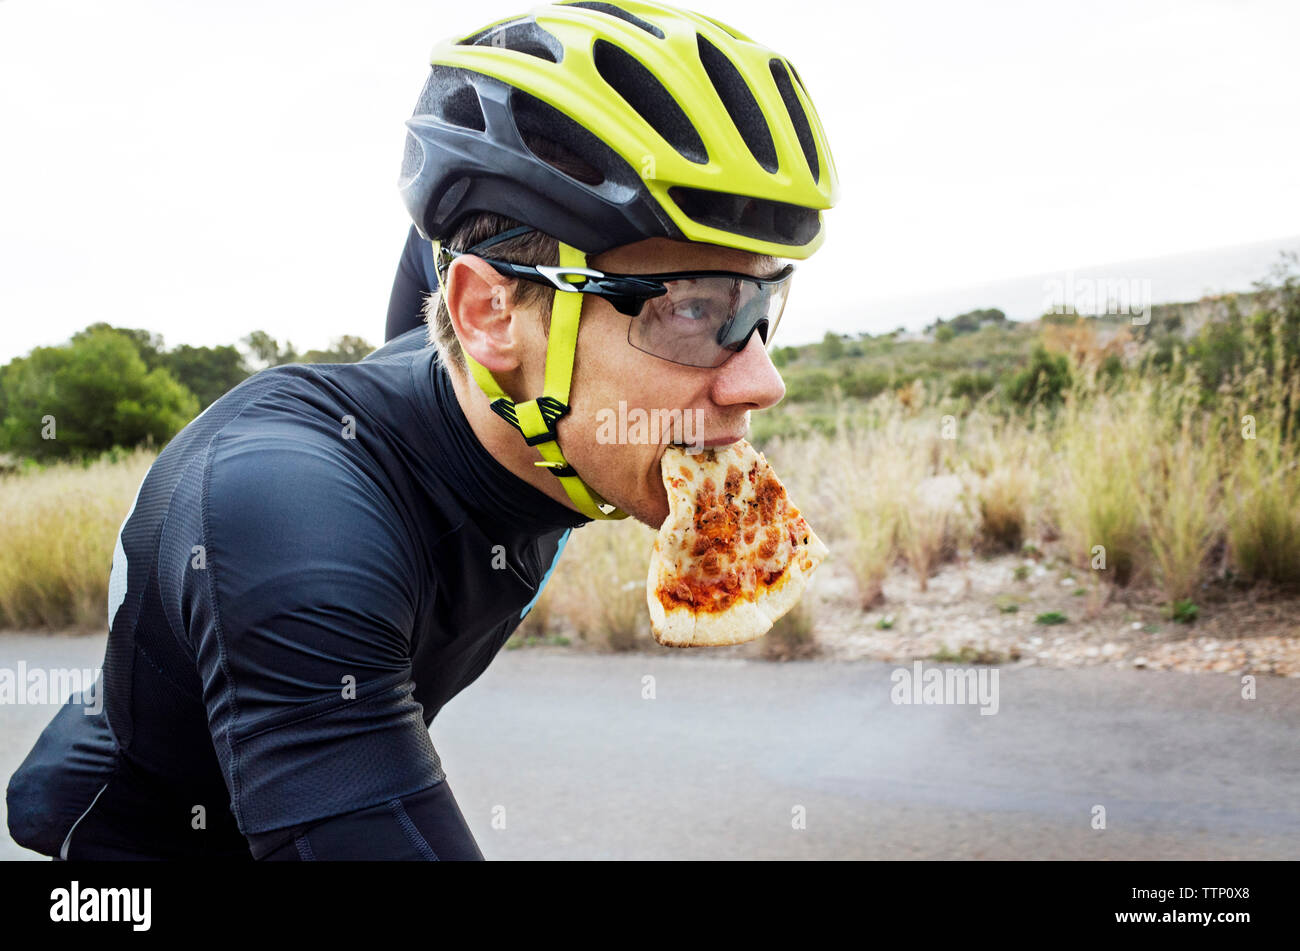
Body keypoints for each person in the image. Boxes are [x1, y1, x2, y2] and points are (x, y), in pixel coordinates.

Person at [6, 0, 837, 860]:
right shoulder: (288, 510)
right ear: (487, 314)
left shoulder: (508, 380)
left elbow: (432, 255)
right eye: (695, 307)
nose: (762, 381)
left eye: (762, 303)